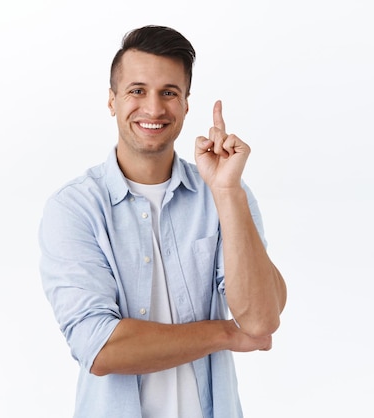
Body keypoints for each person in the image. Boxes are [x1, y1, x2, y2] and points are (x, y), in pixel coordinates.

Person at [39, 25, 286, 418]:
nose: (153, 109)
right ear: (112, 101)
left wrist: (227, 194)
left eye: (169, 93)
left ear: (186, 104)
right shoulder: (74, 209)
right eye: (137, 90)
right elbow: (101, 348)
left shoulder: (225, 195)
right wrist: (223, 333)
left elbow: (260, 319)